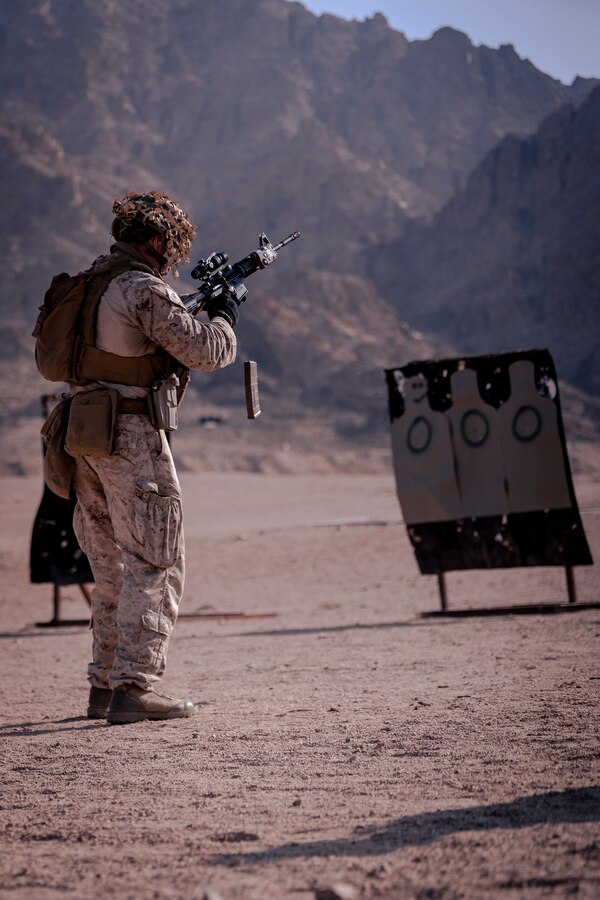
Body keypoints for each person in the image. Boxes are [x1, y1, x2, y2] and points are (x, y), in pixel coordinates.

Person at [71, 191, 239, 724]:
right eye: (172, 249)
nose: (173, 259)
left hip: (83, 434)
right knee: (155, 558)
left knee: (112, 568)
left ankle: (104, 685)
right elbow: (204, 350)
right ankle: (134, 687)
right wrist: (226, 313)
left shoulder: (91, 283)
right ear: (158, 241)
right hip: (130, 434)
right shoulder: (140, 287)